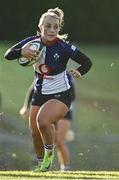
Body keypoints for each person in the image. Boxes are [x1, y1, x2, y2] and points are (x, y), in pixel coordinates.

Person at [4, 7, 92, 172]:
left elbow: (87, 62)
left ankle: (49, 155)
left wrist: (80, 71)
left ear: (59, 28)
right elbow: (8, 54)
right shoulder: (33, 42)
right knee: (35, 133)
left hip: (61, 95)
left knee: (43, 121)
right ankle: (41, 167)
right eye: (48, 26)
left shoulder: (64, 47)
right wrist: (21, 51)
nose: (52, 30)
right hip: (39, 93)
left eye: (56, 27)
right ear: (40, 26)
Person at [19, 71, 76, 171]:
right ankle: (44, 164)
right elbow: (33, 89)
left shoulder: (65, 76)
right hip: (49, 110)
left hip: (65, 111)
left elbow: (72, 95)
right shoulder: (44, 73)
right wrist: (26, 106)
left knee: (59, 141)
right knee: (45, 137)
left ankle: (65, 168)